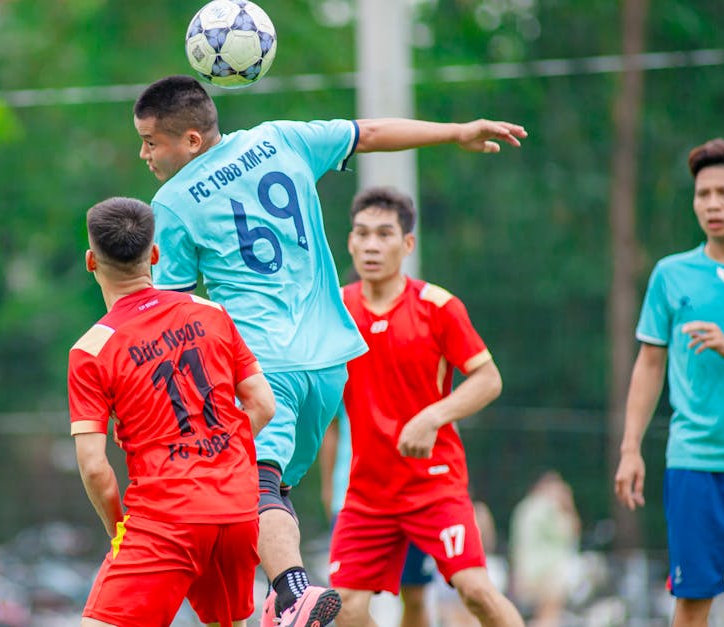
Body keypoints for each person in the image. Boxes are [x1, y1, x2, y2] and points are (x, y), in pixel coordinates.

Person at [132, 74, 527, 627]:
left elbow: (171, 313)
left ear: (192, 140)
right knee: (270, 495)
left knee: (252, 484)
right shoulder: (281, 139)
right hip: (330, 363)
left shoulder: (170, 203)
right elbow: (372, 131)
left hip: (262, 368)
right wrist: (457, 131)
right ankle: (272, 601)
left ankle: (292, 594)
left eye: (151, 141)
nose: (144, 153)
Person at [67, 197, 277, 627]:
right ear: (155, 255)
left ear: (91, 261)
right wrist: (220, 459)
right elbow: (262, 404)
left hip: (166, 519)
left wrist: (118, 531)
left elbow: (94, 468)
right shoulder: (211, 313)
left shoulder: (91, 350)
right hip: (236, 513)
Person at [328, 187, 524, 627]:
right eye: (362, 234)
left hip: (434, 486)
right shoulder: (337, 309)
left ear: (407, 243)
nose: (372, 245)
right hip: (367, 493)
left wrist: (433, 416)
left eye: (384, 234)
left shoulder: (438, 307)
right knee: (344, 607)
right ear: (350, 242)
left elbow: (489, 379)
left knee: (475, 590)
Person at [613, 138, 724, 627]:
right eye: (703, 194)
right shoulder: (670, 275)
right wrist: (630, 448)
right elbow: (649, 364)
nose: (711, 204)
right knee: (690, 603)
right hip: (693, 463)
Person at [320, 413, 435, 627]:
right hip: (353, 497)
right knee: (345, 601)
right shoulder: (346, 378)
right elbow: (331, 427)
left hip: (414, 494)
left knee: (415, 597)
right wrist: (328, 488)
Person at [508, 471, 580, 627]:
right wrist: (568, 505)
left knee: (539, 617)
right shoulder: (549, 507)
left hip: (525, 573)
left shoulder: (523, 508)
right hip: (549, 574)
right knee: (549, 617)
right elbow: (570, 534)